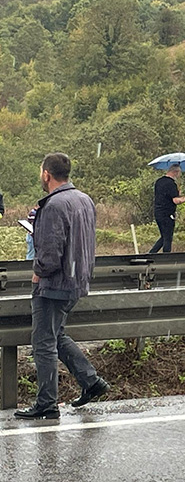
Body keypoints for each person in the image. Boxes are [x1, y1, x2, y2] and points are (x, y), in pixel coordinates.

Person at [17, 153, 109, 420]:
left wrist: (38, 273)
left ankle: (47, 403)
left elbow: (51, 250)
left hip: (54, 283)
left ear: (47, 174)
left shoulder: (54, 205)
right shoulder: (84, 199)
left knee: (43, 342)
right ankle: (91, 381)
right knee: (55, 334)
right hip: (77, 280)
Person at [149, 164, 185, 254]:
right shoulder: (171, 184)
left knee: (164, 236)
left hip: (158, 212)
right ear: (176, 172)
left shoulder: (158, 181)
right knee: (168, 237)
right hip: (167, 214)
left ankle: (151, 253)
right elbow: (175, 200)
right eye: (179, 173)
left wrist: (176, 192)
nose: (179, 175)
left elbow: (164, 196)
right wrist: (183, 199)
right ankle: (166, 256)